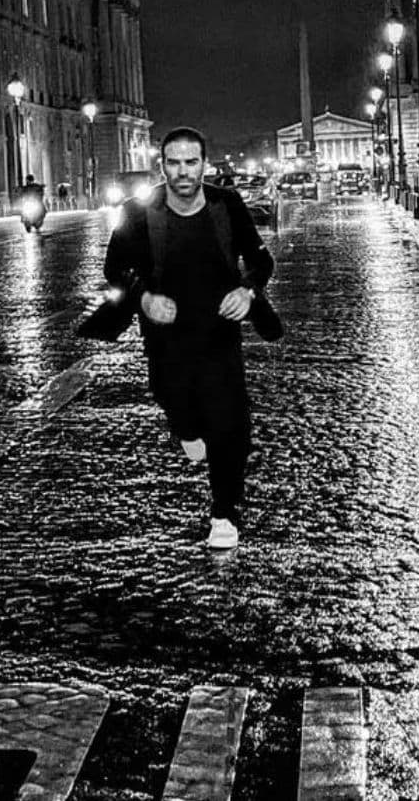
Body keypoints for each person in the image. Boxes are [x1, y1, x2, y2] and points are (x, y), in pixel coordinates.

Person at [104, 126, 276, 551]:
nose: (183, 172)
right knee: (174, 400)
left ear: (204, 164)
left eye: (191, 162)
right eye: (174, 163)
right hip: (166, 336)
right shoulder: (138, 212)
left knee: (230, 424)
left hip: (220, 332)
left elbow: (260, 258)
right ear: (162, 166)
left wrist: (247, 290)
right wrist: (143, 299)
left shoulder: (226, 204)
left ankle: (224, 514)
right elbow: (115, 268)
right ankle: (183, 426)